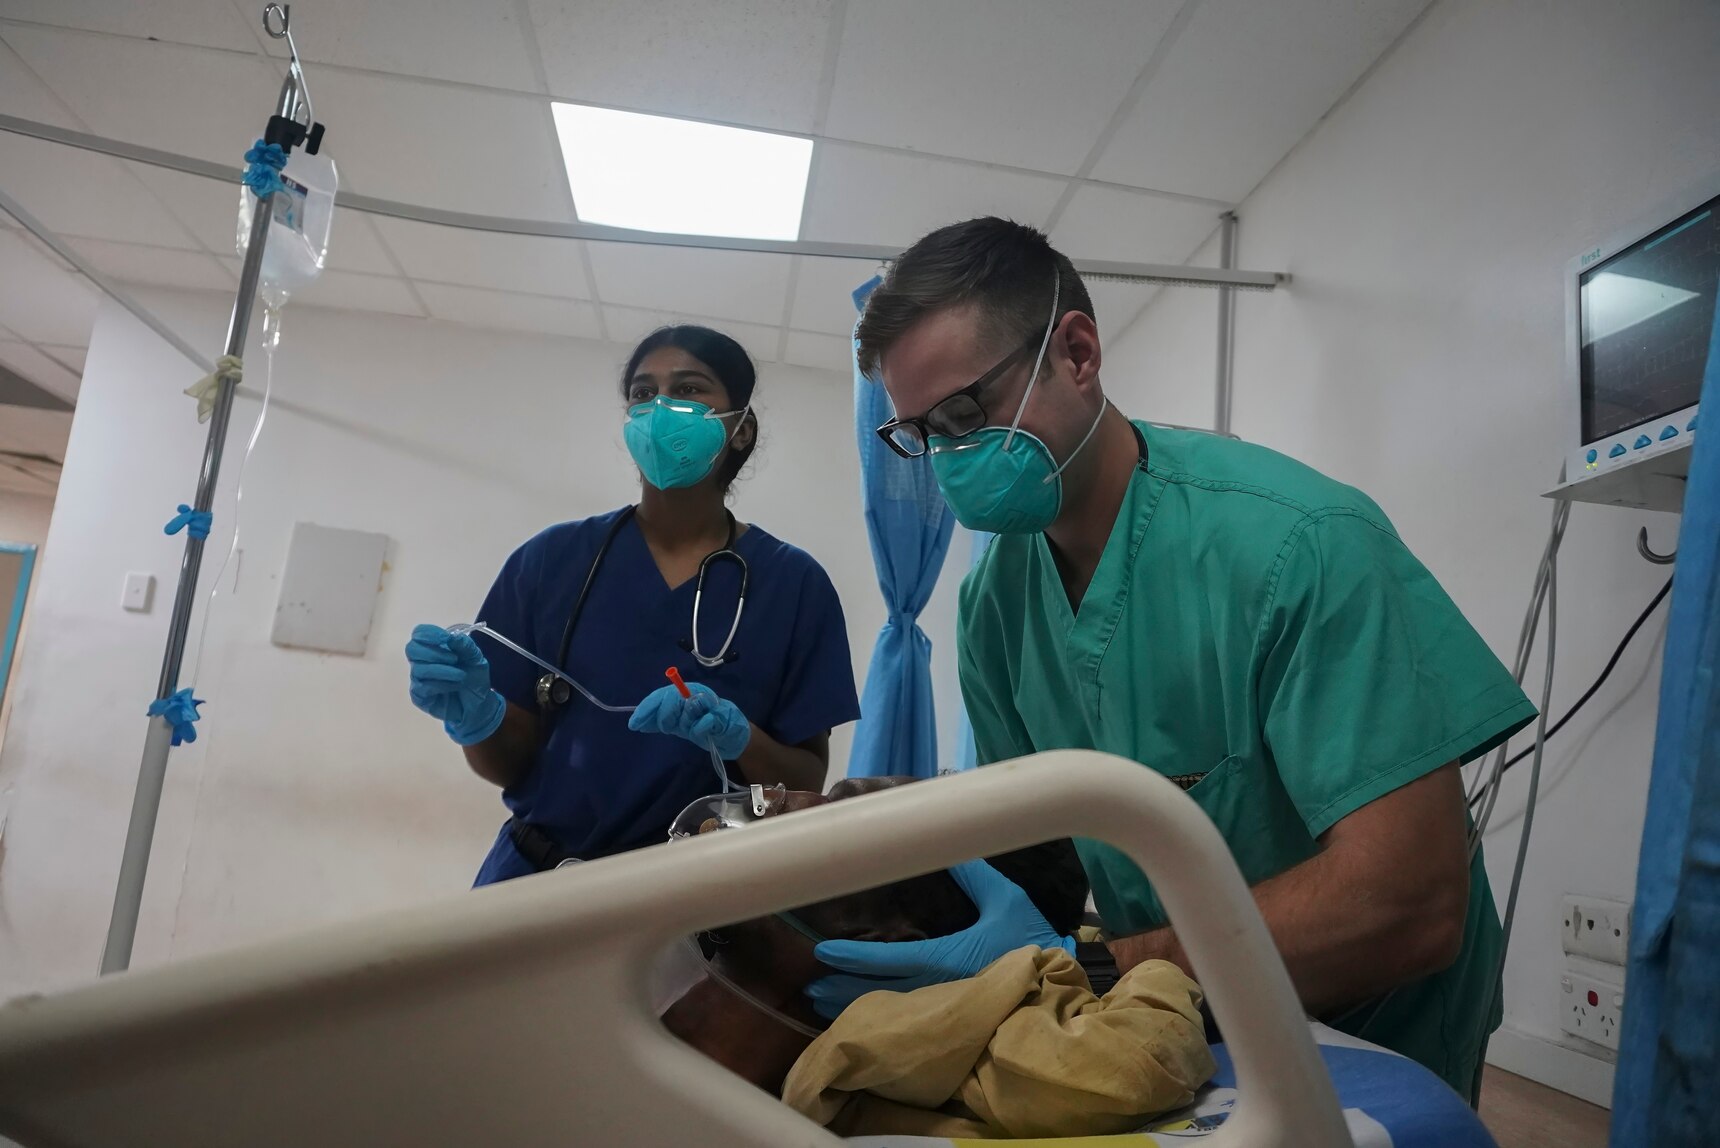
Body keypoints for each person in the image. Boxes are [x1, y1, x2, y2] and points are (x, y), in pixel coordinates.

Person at [812, 217, 1537, 1099]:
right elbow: (1033, 858)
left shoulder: (1300, 544)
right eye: (922, 435)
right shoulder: (996, 605)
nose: (950, 458)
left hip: (1372, 1024)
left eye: (966, 414)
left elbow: (1408, 904)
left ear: (1077, 353)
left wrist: (1100, 969)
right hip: (1176, 1019)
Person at [404, 325, 862, 885]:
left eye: (689, 389)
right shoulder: (552, 560)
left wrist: (740, 738)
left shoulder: (794, 585)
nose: (661, 408)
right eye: (644, 393)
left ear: (740, 429)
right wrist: (474, 716)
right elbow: (507, 767)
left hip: (696, 895)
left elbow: (806, 780)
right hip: (534, 878)